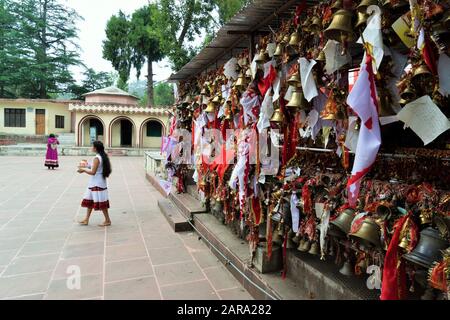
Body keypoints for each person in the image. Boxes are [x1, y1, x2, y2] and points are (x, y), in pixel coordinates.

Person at [78, 141, 112, 227]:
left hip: (97, 183)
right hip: (96, 182)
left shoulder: (97, 158)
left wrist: (83, 170)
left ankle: (107, 220)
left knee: (101, 202)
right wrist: (87, 165)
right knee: (90, 201)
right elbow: (96, 167)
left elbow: (93, 172)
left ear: (95, 148)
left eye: (92, 146)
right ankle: (86, 219)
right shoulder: (102, 156)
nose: (91, 148)